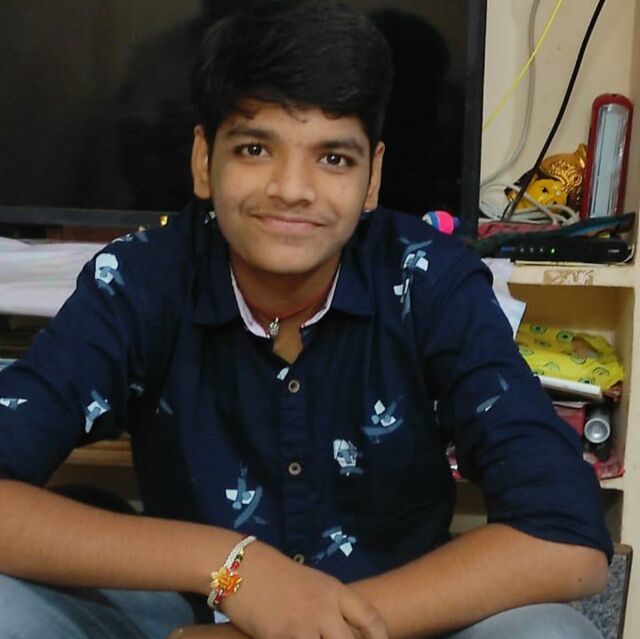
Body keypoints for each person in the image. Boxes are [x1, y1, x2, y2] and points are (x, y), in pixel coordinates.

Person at [0, 1, 611, 638]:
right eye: (255, 148)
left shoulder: (431, 281)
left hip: (390, 621)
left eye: (333, 158)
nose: (293, 189)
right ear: (204, 160)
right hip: (191, 619)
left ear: (372, 178)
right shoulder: (142, 280)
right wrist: (230, 565)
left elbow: (569, 536)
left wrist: (313, 627)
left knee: (553, 634)